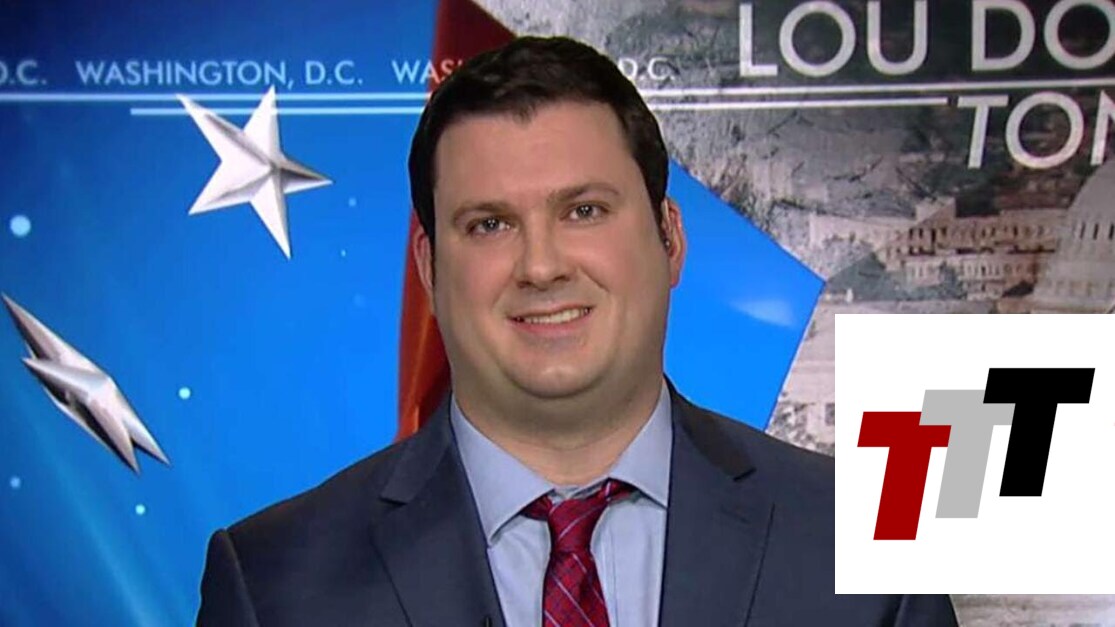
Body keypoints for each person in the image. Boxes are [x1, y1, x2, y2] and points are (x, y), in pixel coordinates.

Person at [197, 36, 957, 626]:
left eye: (583, 211)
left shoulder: (863, 544)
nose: (541, 265)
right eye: (489, 224)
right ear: (428, 266)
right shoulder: (275, 581)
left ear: (669, 238)